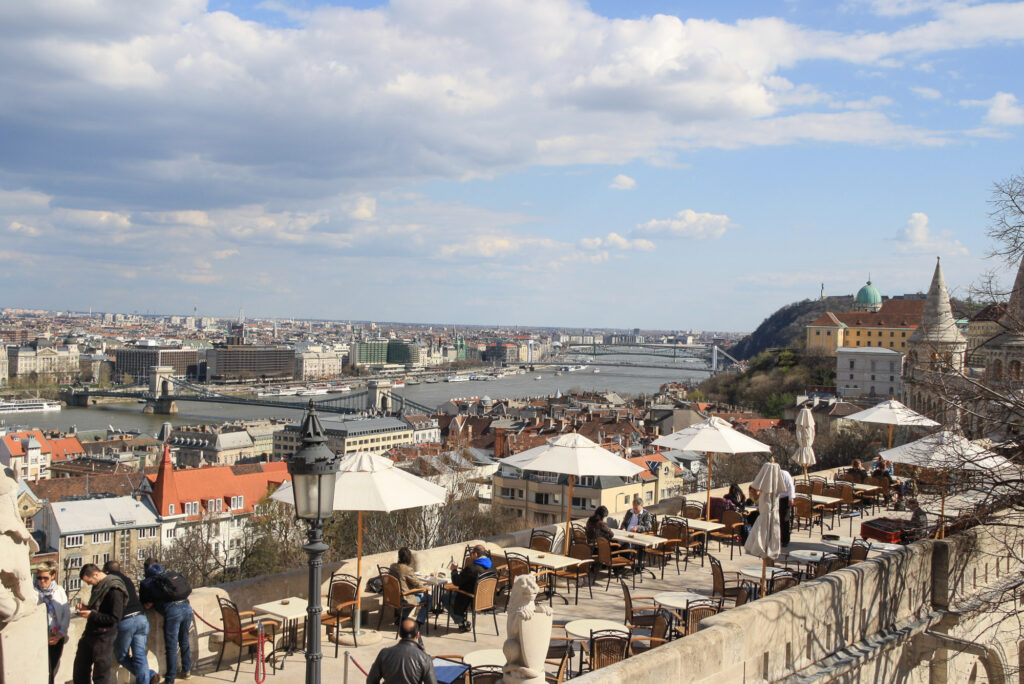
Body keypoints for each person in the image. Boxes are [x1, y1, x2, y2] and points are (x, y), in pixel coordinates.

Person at [139, 558, 193, 683]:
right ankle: (187, 670)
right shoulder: (171, 576)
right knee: (184, 641)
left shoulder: (147, 583)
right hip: (187, 607)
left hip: (173, 612)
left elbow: (146, 605)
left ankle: (170, 678)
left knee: (171, 647)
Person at [103, 560, 157, 684]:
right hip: (141, 618)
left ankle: (150, 674)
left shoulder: (109, 582)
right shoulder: (127, 580)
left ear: (107, 571)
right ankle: (147, 678)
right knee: (140, 656)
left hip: (126, 621)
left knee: (121, 655)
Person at [73, 563, 128, 684]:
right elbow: (98, 609)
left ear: (96, 574)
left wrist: (91, 615)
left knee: (100, 675)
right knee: (80, 670)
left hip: (104, 637)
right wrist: (85, 608)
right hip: (90, 633)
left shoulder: (114, 589)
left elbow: (115, 617)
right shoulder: (99, 586)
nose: (89, 584)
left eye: (89, 581)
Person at [365, 618, 437, 684]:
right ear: (417, 635)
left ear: (399, 633)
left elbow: (371, 681)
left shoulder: (384, 653)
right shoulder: (425, 658)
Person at [35, 561, 70, 684]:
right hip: (38, 639)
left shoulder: (59, 590)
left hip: (56, 636)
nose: (42, 581)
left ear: (53, 576)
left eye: (45, 578)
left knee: (52, 670)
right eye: (39, 578)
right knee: (41, 671)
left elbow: (66, 613)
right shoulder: (33, 593)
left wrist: (60, 633)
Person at [443, 545, 492, 632]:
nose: (471, 556)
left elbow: (457, 582)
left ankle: (461, 622)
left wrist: (454, 571)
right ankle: (463, 621)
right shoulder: (492, 567)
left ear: (476, 554)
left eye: (472, 554)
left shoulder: (472, 569)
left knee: (445, 597)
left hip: (468, 597)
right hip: (484, 599)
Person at [390, 547, 432, 627]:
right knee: (428, 597)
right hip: (404, 598)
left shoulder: (392, 567)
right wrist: (425, 588)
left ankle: (401, 618)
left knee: (414, 597)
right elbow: (417, 583)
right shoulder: (407, 569)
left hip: (393, 597)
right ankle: (419, 621)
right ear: (409, 558)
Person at [778, 467, 795, 548]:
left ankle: (785, 540)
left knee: (784, 520)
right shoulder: (772, 475)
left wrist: (791, 498)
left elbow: (790, 486)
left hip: (785, 498)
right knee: (777, 520)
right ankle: (778, 538)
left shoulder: (785, 474)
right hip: (776, 499)